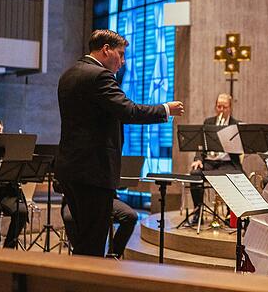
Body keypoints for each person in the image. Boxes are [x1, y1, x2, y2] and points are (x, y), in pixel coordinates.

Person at [55, 29, 184, 257]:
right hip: (93, 172)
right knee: (93, 244)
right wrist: (165, 109)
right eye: (121, 54)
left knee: (84, 239)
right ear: (106, 50)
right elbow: (129, 111)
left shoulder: (69, 75)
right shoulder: (99, 76)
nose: (122, 62)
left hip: (71, 171)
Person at [189, 93, 241, 223]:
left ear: (230, 108)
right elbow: (200, 144)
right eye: (219, 107)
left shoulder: (236, 124)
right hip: (209, 161)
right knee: (194, 174)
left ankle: (231, 215)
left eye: (224, 107)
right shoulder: (208, 122)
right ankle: (198, 211)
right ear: (215, 107)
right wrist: (198, 159)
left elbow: (241, 149)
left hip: (227, 162)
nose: (221, 110)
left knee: (235, 176)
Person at [61, 197, 137, 258]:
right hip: (74, 199)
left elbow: (121, 185)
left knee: (130, 216)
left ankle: (112, 257)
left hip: (106, 199)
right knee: (69, 217)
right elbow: (57, 185)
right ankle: (81, 254)